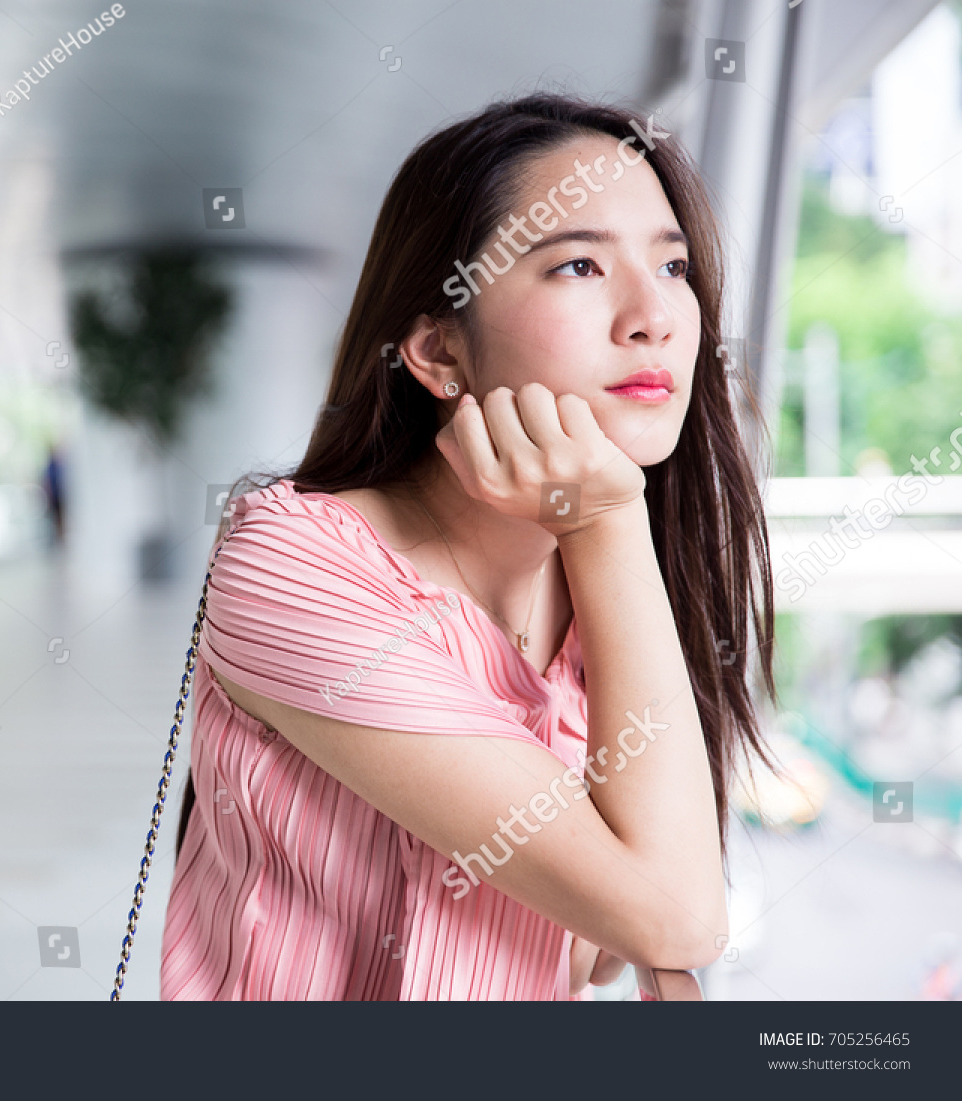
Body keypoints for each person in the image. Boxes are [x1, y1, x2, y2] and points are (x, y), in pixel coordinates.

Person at [161, 95, 776, 1000]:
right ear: (440, 350)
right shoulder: (291, 561)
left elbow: (629, 928)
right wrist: (606, 519)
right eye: (578, 264)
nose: (656, 316)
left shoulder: (610, 589)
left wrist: (606, 537)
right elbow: (677, 915)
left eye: (674, 264)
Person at [42, 444, 66, 547]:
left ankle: (61, 538)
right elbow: (48, 483)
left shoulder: (56, 465)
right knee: (57, 520)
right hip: (55, 498)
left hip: (59, 497)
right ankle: (59, 539)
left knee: (60, 519)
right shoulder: (51, 466)